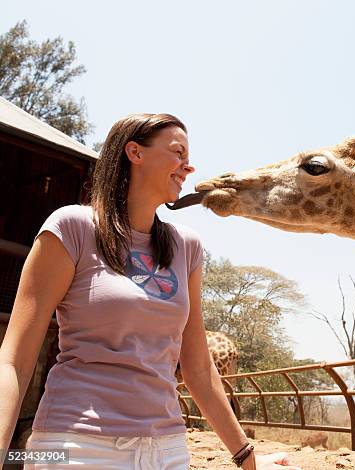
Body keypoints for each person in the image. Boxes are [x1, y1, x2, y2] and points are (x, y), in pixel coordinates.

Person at [0, 114, 301, 470]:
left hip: (168, 451)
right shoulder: (73, 228)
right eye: (178, 152)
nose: (188, 167)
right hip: (78, 446)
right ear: (134, 152)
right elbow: (15, 361)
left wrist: (248, 460)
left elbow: (199, 369)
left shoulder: (185, 246)